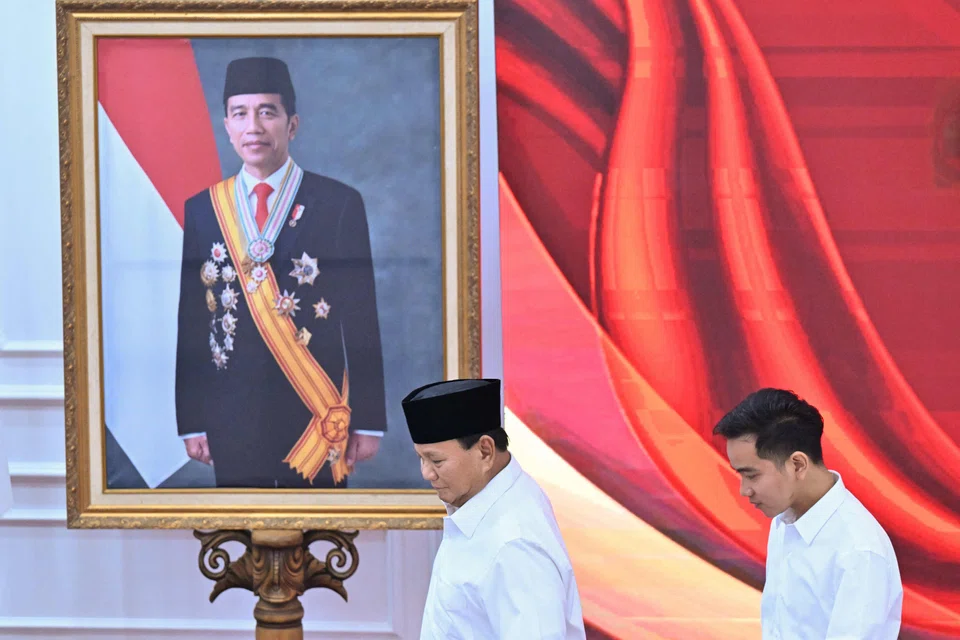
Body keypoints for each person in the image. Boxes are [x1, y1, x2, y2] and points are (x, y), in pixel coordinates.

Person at [174, 56, 386, 489]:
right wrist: (191, 419)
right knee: (244, 542)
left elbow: (362, 318)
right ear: (227, 127)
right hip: (229, 413)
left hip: (316, 415)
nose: (253, 126)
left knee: (319, 544)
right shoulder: (203, 210)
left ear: (292, 125)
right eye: (240, 113)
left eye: (267, 112)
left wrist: (370, 419)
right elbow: (193, 321)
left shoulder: (338, 204)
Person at [401, 378, 586, 639]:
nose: (426, 473)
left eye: (436, 460)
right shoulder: (487, 501)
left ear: (485, 451)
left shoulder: (515, 544)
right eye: (421, 458)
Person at [713, 388, 903, 639]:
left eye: (752, 475)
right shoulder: (784, 519)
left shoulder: (859, 550)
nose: (744, 490)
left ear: (797, 465)